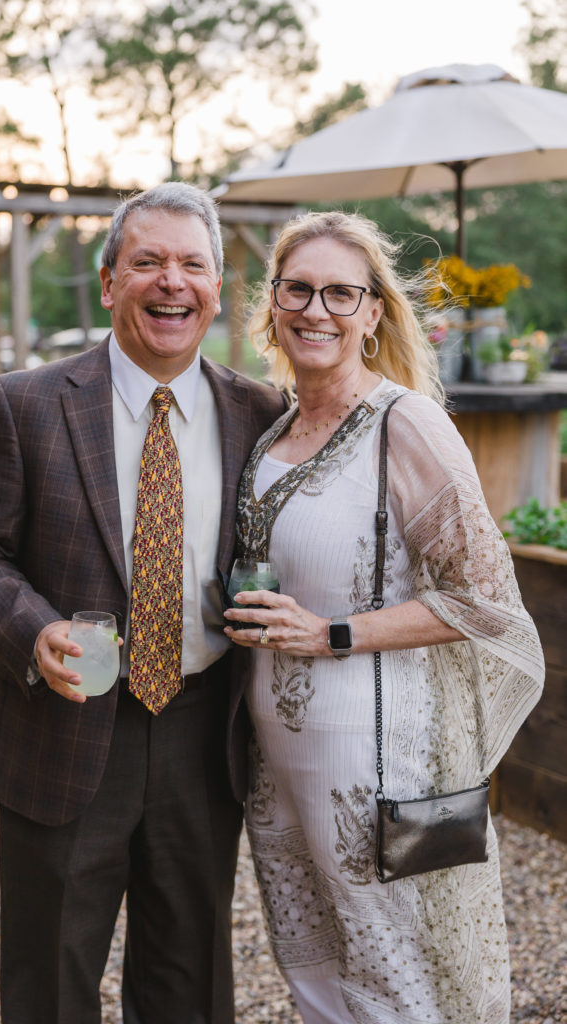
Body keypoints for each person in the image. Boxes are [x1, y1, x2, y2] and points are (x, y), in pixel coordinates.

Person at [0, 181, 287, 1024]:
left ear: (215, 290)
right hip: (62, 729)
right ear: (107, 283)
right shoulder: (26, 403)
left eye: (192, 266)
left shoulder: (260, 412)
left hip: (203, 734)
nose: (172, 282)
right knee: (51, 984)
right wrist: (35, 630)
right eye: (147, 262)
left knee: (188, 985)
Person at [223, 210, 545, 1024]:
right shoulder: (275, 429)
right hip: (275, 757)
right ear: (272, 302)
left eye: (340, 293)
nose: (316, 310)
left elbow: (483, 600)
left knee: (395, 976)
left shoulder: (406, 423)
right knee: (312, 969)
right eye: (297, 289)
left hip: (376, 761)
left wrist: (330, 633)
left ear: (372, 312)